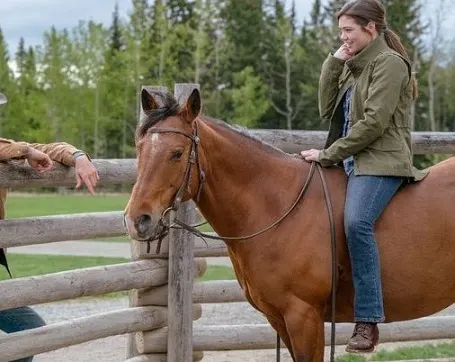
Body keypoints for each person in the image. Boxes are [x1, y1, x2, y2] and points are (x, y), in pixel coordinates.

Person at [300, 0, 428, 354]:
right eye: (341, 31)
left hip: (381, 163)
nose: (344, 37)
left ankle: (368, 320)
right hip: (352, 162)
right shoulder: (355, 66)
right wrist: (333, 62)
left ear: (371, 28)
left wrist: (328, 154)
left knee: (356, 222)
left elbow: (374, 123)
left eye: (349, 30)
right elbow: (327, 110)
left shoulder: (389, 65)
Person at [0, 91, 99, 362]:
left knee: (32, 334)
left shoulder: (8, 148)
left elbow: (50, 149)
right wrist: (25, 150)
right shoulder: (9, 148)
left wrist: (78, 156)